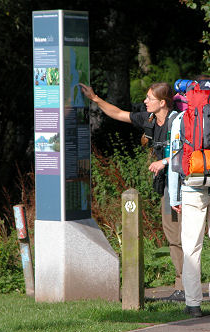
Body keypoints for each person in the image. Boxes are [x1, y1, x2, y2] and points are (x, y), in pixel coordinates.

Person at [79, 82, 185, 302]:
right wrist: (95, 99)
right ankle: (183, 288)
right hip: (168, 188)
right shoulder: (148, 119)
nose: (145, 102)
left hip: (184, 189)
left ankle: (186, 288)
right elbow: (118, 113)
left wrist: (164, 161)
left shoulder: (179, 122)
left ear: (162, 102)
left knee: (183, 237)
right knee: (174, 236)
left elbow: (185, 150)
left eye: (149, 98)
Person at [168, 78, 210, 319]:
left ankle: (193, 303)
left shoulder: (180, 119)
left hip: (192, 187)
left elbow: (175, 160)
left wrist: (174, 195)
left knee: (191, 247)